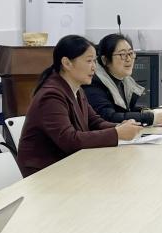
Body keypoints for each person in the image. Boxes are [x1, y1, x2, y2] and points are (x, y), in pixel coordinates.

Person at [16, 34, 141, 176]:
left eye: (95, 61)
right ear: (67, 63)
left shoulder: (77, 89)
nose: (94, 67)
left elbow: (95, 122)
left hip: (67, 166)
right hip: (43, 173)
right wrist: (117, 133)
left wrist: (119, 127)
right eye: (89, 61)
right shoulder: (51, 96)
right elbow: (70, 140)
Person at [84, 34, 162, 126]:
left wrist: (148, 112)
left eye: (130, 53)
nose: (129, 59)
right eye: (122, 54)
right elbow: (108, 117)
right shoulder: (93, 83)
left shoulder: (123, 80)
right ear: (105, 60)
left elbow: (126, 111)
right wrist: (150, 118)